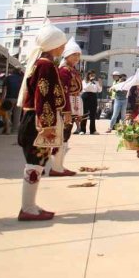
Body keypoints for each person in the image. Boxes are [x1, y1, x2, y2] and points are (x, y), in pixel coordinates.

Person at [15, 22, 71, 221]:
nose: (63, 48)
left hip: (34, 119)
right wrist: (47, 127)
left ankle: (29, 206)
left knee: (36, 163)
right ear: (52, 45)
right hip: (38, 121)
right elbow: (44, 96)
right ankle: (28, 208)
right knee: (35, 163)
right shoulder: (45, 65)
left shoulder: (39, 63)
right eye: (61, 44)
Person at [52, 38, 82, 176]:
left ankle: (59, 166)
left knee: (66, 135)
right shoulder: (64, 71)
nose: (77, 57)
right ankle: (56, 167)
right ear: (67, 55)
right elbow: (63, 92)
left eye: (78, 55)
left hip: (73, 104)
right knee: (62, 135)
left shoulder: (73, 70)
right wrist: (67, 111)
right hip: (65, 106)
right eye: (74, 54)